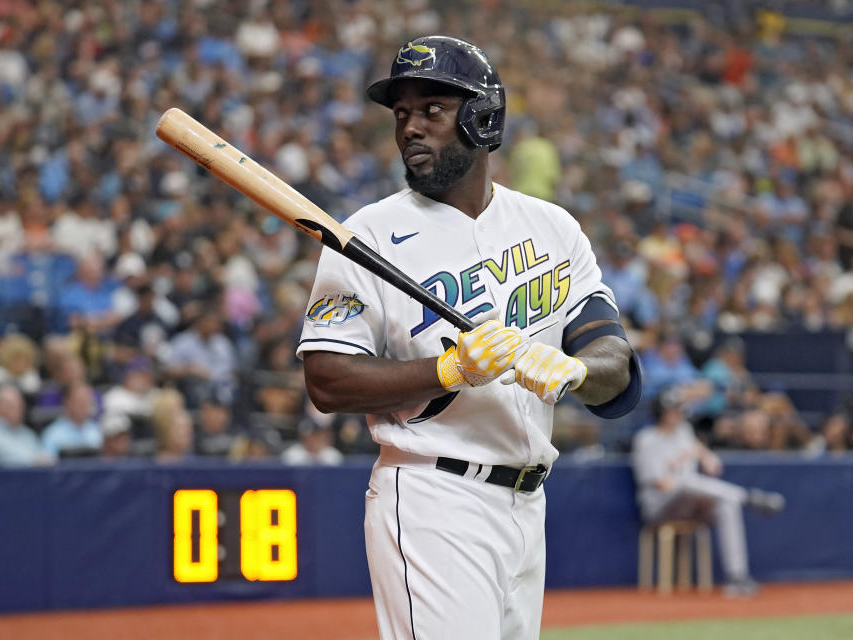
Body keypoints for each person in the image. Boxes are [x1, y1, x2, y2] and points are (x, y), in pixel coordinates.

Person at [298, 36, 641, 640]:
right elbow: (326, 379)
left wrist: (575, 370)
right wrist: (448, 370)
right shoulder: (365, 235)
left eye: (433, 108)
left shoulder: (551, 227)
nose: (410, 127)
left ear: (484, 117)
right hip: (433, 496)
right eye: (402, 113)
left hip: (527, 501)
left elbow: (618, 365)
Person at [631, 392, 786, 597]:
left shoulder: (683, 432)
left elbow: (708, 462)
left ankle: (737, 578)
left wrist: (705, 457)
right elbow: (662, 484)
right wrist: (682, 465)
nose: (677, 414)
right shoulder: (646, 440)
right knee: (685, 481)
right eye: (672, 410)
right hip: (659, 506)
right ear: (661, 413)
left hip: (689, 502)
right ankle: (747, 497)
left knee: (726, 504)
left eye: (678, 409)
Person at [0, 385, 52, 466]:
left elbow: (43, 458)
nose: (19, 409)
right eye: (12, 405)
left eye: (20, 405)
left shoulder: (28, 434)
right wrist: (33, 461)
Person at [41, 382, 102, 459]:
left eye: (87, 401)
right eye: (80, 401)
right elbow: (47, 465)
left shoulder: (98, 431)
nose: (84, 406)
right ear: (67, 402)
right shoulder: (52, 434)